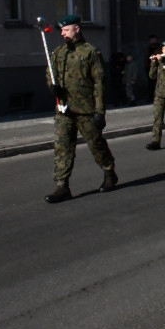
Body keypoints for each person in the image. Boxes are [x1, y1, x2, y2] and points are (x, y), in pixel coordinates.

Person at [43, 14, 116, 203]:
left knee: (96, 144)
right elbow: (50, 73)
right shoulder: (59, 52)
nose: (63, 33)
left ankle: (109, 172)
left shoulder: (90, 52)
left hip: (86, 110)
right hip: (64, 109)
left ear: (76, 29)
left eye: (66, 30)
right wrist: (52, 86)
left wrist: (100, 112)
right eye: (61, 30)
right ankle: (62, 186)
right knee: (62, 147)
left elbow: (99, 83)